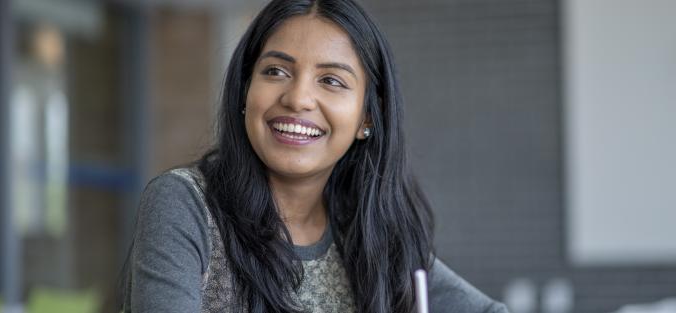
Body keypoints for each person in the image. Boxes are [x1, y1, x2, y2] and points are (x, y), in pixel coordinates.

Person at [121, 0, 509, 312]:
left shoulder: (372, 231)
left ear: (366, 118)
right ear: (245, 92)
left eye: (331, 81)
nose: (298, 98)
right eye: (275, 71)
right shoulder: (185, 204)